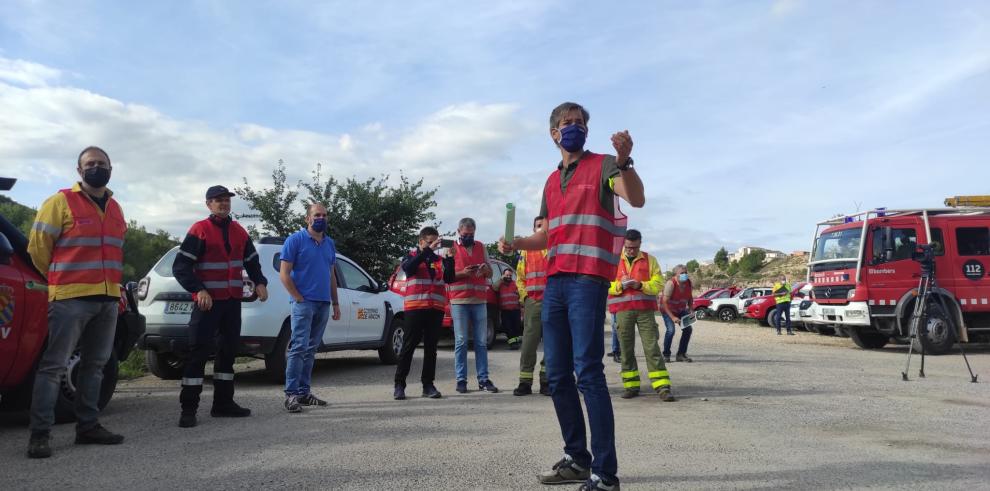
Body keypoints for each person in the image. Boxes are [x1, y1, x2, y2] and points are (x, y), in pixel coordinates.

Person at [501, 102, 644, 491]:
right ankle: (577, 459)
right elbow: (546, 234)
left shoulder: (603, 165)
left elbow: (636, 199)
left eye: (581, 123)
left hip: (588, 281)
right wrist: (518, 242)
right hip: (555, 282)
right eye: (568, 123)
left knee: (589, 373)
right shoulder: (550, 181)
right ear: (553, 133)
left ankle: (605, 473)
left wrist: (626, 161)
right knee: (559, 375)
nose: (575, 128)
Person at [26, 147, 128, 458]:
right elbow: (37, 249)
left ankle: (87, 427)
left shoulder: (115, 207)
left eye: (102, 163)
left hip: (107, 298)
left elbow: (114, 250)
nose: (96, 168)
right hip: (70, 297)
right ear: (79, 170)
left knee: (94, 366)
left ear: (111, 168)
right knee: (53, 367)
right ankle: (40, 435)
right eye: (90, 164)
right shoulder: (59, 202)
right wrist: (58, 280)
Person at [173, 185, 269, 428]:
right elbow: (181, 266)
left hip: (231, 302)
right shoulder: (199, 230)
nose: (223, 204)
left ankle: (223, 404)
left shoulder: (239, 231)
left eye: (226, 200)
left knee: (228, 353)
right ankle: (189, 409)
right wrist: (198, 289)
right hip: (207, 304)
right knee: (198, 353)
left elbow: (252, 261)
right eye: (218, 200)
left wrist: (260, 282)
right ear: (208, 204)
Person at [279, 203, 341, 412]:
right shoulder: (295, 240)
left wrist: (336, 302)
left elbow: (331, 274)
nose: (320, 218)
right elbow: (284, 274)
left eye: (324, 215)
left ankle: (304, 392)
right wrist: (298, 298)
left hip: (323, 303)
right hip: (304, 303)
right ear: (307, 218)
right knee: (298, 348)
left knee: (311, 349)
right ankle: (291, 394)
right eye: (316, 215)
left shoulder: (329, 243)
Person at [607, 230, 674, 402]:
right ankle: (631, 386)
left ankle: (662, 386)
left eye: (634, 248)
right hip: (622, 310)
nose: (631, 251)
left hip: (645, 310)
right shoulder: (613, 259)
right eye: (628, 247)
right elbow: (605, 284)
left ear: (640, 244)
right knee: (626, 350)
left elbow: (658, 283)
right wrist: (619, 286)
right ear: (624, 244)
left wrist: (640, 285)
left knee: (652, 347)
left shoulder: (650, 260)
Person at [443, 217, 498, 394]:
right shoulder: (450, 247)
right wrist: (463, 274)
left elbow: (490, 272)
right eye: (466, 234)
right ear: (459, 232)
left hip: (479, 300)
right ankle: (461, 380)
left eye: (472, 234)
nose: (469, 237)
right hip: (459, 300)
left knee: (481, 342)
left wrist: (484, 270)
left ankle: (483, 379)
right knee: (461, 341)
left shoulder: (481, 246)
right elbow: (447, 275)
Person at [393, 226, 445, 400]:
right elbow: (409, 269)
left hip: (435, 309)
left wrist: (451, 259)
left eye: (435, 242)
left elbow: (449, 278)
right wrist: (426, 251)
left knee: (431, 349)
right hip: (415, 308)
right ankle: (399, 385)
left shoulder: (439, 260)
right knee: (408, 347)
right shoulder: (411, 256)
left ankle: (428, 385)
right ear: (420, 242)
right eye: (429, 242)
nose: (433, 246)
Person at [513, 216, 549, 396]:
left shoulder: (557, 247)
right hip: (533, 300)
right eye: (537, 226)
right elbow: (520, 278)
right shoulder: (527, 250)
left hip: (555, 301)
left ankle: (546, 380)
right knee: (529, 342)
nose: (540, 228)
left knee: (552, 343)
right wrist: (525, 297)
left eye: (543, 225)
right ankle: (525, 382)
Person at [660, 264, 694, 362]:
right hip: (668, 310)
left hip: (681, 310)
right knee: (671, 331)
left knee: (688, 330)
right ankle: (666, 355)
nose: (685, 275)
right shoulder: (671, 284)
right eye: (682, 273)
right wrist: (673, 317)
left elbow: (690, 297)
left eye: (686, 273)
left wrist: (691, 309)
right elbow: (664, 302)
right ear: (676, 274)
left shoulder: (688, 283)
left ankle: (681, 354)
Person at [496, 268, 522, 350]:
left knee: (516, 328)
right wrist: (501, 279)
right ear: (503, 275)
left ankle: (516, 342)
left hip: (516, 310)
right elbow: (494, 288)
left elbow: (521, 295)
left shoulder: (515, 284)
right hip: (505, 311)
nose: (508, 277)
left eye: (510, 275)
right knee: (508, 328)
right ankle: (512, 343)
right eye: (507, 275)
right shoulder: (500, 284)